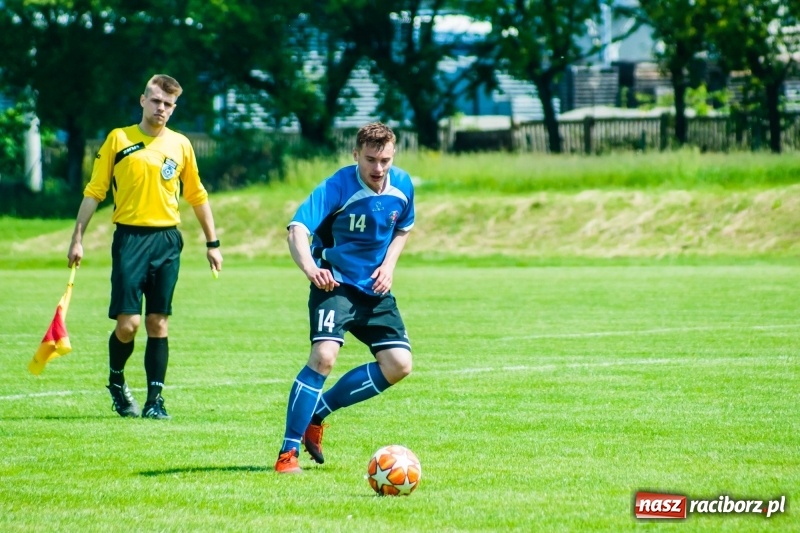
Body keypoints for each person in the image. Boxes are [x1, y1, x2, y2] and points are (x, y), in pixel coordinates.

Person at [67, 74, 223, 420]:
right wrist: (77, 239)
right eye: (156, 101)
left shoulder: (181, 145)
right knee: (129, 324)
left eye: (168, 104)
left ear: (174, 108)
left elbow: (197, 196)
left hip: (167, 240)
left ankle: (155, 402)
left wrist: (213, 244)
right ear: (142, 100)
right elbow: (95, 191)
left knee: (158, 323)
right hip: (130, 239)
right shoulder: (119, 139)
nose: (161, 108)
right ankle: (117, 381)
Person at [275, 122, 415, 473]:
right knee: (323, 356)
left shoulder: (403, 185)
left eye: (384, 160)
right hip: (333, 284)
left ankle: (318, 414)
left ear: (393, 155)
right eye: (370, 160)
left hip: (374, 288)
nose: (378, 168)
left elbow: (403, 228)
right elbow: (298, 229)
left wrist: (389, 266)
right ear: (356, 155)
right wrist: (310, 269)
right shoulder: (338, 185)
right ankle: (287, 453)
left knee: (399, 365)